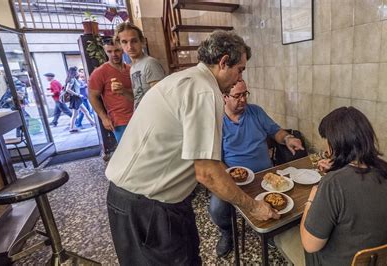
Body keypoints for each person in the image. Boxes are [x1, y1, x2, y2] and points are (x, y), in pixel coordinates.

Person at [105, 30, 280, 265]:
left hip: (150, 200)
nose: (239, 79)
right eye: (239, 70)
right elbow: (207, 172)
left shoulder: (185, 79)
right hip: (147, 205)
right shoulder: (205, 92)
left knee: (188, 256)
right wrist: (253, 207)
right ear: (223, 62)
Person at [274, 106, 387, 266]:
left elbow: (310, 245)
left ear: (336, 143)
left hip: (340, 261)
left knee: (290, 237)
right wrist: (340, 166)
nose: (327, 148)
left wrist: (311, 200)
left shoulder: (333, 184)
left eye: (328, 142)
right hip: (382, 259)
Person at [209, 80, 304, 257]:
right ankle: (227, 233)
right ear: (224, 97)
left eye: (245, 94)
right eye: (237, 96)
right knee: (216, 207)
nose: (243, 99)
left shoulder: (256, 112)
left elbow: (276, 131)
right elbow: (215, 160)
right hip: (235, 181)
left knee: (292, 195)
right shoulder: (217, 121)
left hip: (265, 177)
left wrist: (288, 138)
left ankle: (274, 230)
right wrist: (227, 176)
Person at [88, 37, 134, 143]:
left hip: (138, 114)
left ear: (123, 49)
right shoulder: (99, 73)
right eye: (109, 51)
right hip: (120, 120)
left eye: (117, 50)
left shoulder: (131, 69)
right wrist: (103, 117)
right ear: (105, 51)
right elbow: (92, 96)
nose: (114, 54)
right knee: (127, 151)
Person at [114, 22, 166, 108]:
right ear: (119, 45)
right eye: (124, 42)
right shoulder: (133, 67)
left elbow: (161, 99)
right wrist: (123, 91)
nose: (130, 46)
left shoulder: (150, 63)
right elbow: (138, 99)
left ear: (142, 41)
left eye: (134, 41)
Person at [64, 67, 95, 133]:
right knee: (75, 114)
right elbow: (67, 89)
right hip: (75, 98)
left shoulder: (74, 79)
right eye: (77, 71)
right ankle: (71, 128)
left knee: (85, 111)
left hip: (77, 98)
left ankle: (93, 123)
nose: (78, 72)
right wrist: (77, 94)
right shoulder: (72, 79)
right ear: (74, 72)